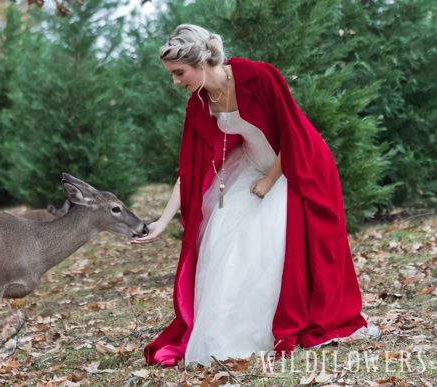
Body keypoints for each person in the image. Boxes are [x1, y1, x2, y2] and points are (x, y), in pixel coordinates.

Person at [131, 24, 378, 367]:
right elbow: (189, 172)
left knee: (275, 235)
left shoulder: (259, 77)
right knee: (226, 237)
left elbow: (291, 134)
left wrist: (269, 182)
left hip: (295, 165)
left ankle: (294, 318)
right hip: (249, 168)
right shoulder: (200, 104)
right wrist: (162, 221)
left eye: (179, 73)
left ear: (201, 62)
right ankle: (238, 331)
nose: (176, 82)